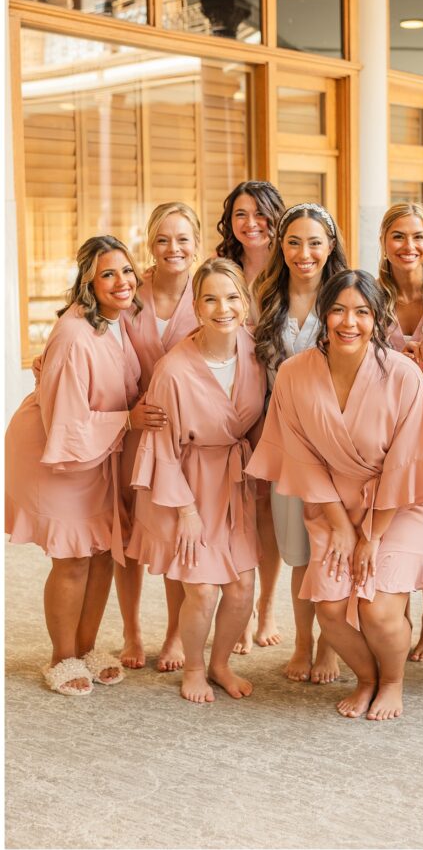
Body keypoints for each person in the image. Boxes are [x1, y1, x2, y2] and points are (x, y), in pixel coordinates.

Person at [248, 269, 423, 720]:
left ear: (378, 319)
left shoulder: (403, 376)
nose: (349, 322)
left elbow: (409, 462)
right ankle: (366, 678)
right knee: (331, 609)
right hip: (333, 503)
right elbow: (300, 458)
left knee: (378, 611)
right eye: (338, 310)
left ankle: (393, 682)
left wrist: (372, 536)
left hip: (401, 505)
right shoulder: (293, 374)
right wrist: (342, 527)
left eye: (362, 312)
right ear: (323, 314)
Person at [5, 236, 156, 695]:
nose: (122, 281)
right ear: (88, 280)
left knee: (102, 553)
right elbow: (67, 419)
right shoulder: (74, 334)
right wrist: (127, 420)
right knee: (72, 559)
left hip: (99, 448)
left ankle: (86, 647)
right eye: (108, 273)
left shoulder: (114, 321)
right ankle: (61, 658)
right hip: (56, 451)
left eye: (127, 271)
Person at [127, 258, 267, 703]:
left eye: (231, 298)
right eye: (210, 298)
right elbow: (162, 447)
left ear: (244, 305)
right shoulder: (173, 369)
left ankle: (221, 663)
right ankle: (193, 667)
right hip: (185, 484)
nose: (221, 308)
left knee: (243, 585)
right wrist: (185, 512)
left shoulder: (253, 352)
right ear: (197, 305)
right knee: (203, 590)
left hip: (233, 480)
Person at [252, 202, 347, 684]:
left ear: (331, 245)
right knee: (300, 551)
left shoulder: (345, 297)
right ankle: (302, 641)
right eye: (293, 242)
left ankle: (330, 646)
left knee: (331, 546)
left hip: (336, 442)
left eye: (314, 242)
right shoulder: (265, 299)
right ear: (281, 247)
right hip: (286, 441)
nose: (304, 252)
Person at [118, 202, 200, 672]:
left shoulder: (207, 291)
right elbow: (87, 319)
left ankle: (174, 633)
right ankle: (131, 629)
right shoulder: (130, 291)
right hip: (132, 426)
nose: (173, 248)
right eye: (163, 239)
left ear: (196, 245)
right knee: (126, 531)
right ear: (150, 244)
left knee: (171, 532)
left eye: (182, 239)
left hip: (181, 438)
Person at [216, 180, 285, 653]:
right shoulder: (222, 271)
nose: (252, 223)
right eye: (241, 214)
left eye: (261, 214)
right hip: (234, 400)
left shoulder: (291, 267)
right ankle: (239, 606)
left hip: (281, 399)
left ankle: (266, 607)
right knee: (240, 503)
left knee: (271, 509)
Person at [377, 201, 423, 662]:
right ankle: (389, 613)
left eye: (417, 236)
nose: (408, 245)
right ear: (384, 242)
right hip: (384, 426)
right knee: (390, 526)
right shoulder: (372, 296)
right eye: (398, 235)